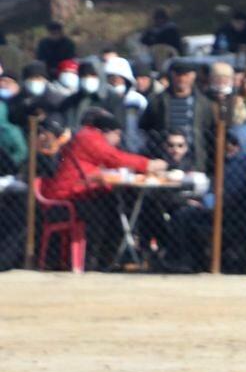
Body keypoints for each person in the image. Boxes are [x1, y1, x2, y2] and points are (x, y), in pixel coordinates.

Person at [47, 107, 166, 269]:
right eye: (117, 135)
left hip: (80, 192)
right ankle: (97, 260)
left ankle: (111, 257)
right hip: (69, 197)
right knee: (108, 211)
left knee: (120, 205)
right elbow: (113, 158)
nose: (118, 141)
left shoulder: (86, 136)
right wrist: (148, 164)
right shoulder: (90, 138)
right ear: (109, 132)